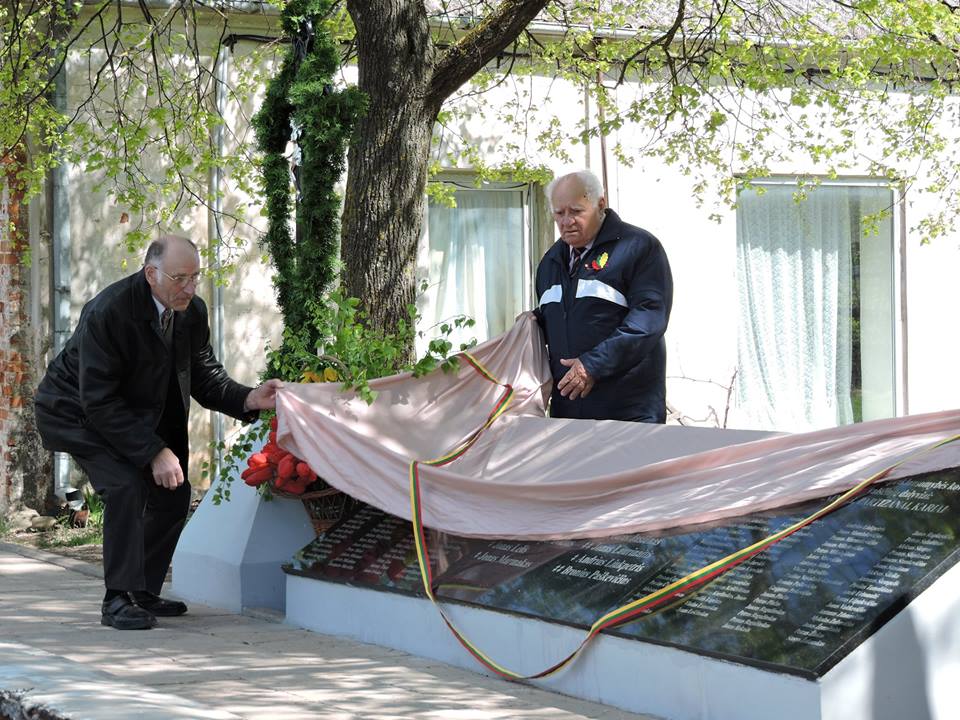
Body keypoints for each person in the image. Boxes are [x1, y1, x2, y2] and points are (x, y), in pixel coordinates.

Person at [35, 234, 282, 630]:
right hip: (74, 411)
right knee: (125, 486)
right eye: (180, 278)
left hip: (129, 414)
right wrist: (153, 451)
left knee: (174, 492)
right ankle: (116, 600)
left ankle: (142, 591)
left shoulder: (192, 312)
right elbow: (98, 400)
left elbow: (205, 377)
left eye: (196, 277)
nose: (189, 288)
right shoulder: (110, 311)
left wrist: (251, 398)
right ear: (151, 274)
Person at [534, 170, 673, 422]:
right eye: (559, 213)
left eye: (576, 211)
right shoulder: (549, 263)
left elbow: (648, 320)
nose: (566, 221)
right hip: (568, 416)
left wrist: (592, 365)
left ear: (600, 205)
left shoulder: (638, 247)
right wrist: (526, 327)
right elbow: (556, 322)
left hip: (628, 414)